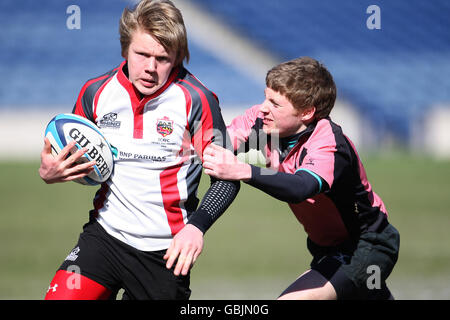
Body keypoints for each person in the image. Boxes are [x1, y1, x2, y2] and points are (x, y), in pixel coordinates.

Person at [39, 0, 239, 300]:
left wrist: (196, 228)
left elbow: (228, 178)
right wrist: (52, 170)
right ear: (124, 50)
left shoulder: (197, 100)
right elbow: (70, 154)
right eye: (142, 54)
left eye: (162, 58)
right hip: (104, 238)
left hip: (166, 254)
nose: (150, 67)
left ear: (178, 58)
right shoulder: (96, 92)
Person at [202, 57, 400, 300]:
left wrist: (242, 170)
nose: (263, 107)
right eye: (265, 96)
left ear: (306, 112)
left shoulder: (328, 142)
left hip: (365, 245)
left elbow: (301, 187)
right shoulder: (264, 122)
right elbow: (216, 144)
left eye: (275, 103)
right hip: (326, 247)